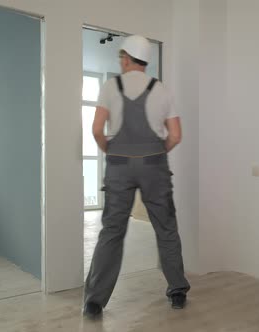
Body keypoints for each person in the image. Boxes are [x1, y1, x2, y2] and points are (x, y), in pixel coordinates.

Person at [83, 35, 190, 318]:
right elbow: (176, 135)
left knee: (112, 231)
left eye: (121, 57)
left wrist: (113, 152)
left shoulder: (110, 87)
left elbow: (96, 130)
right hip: (154, 166)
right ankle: (177, 291)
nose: (120, 62)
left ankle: (94, 302)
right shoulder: (162, 90)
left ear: (127, 58)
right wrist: (156, 153)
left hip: (119, 165)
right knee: (166, 228)